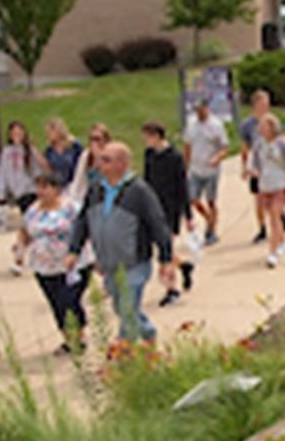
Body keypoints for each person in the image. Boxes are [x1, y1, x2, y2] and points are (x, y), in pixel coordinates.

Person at [65, 142, 174, 343]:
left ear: (121, 164)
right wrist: (74, 249)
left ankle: (125, 354)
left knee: (127, 308)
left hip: (135, 263)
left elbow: (158, 223)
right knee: (122, 309)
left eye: (106, 160)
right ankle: (148, 332)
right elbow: (82, 221)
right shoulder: (96, 189)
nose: (99, 163)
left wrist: (166, 259)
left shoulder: (139, 191)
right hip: (109, 264)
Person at [19, 172, 90, 353]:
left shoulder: (71, 208)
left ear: (56, 189)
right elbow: (25, 230)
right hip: (44, 266)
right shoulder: (33, 210)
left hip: (72, 264)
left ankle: (79, 335)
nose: (41, 192)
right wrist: (20, 250)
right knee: (56, 303)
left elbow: (85, 229)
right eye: (38, 187)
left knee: (69, 300)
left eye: (45, 187)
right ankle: (68, 339)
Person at [141, 121, 195, 306]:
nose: (145, 141)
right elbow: (146, 181)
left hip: (171, 209)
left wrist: (188, 215)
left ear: (156, 136)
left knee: (165, 250)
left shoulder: (175, 157)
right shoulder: (149, 155)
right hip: (153, 208)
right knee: (165, 249)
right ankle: (184, 266)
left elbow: (182, 187)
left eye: (147, 136)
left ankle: (172, 289)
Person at [250, 114, 285, 269]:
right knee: (273, 217)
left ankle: (272, 253)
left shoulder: (281, 145)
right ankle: (282, 241)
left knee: (274, 216)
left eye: (265, 125)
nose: (262, 129)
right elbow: (256, 163)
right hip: (265, 185)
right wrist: (253, 172)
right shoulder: (259, 144)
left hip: (280, 184)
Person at [242, 90, 285, 242]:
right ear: (255, 105)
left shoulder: (273, 121)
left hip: (273, 167)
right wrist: (244, 167)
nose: (266, 106)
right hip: (257, 166)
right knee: (259, 199)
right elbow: (244, 147)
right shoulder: (248, 125)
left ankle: (280, 215)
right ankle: (262, 227)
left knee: (276, 197)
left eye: (267, 103)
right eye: (263, 104)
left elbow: (281, 144)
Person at [0, 120, 40, 274]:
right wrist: (1, 192)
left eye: (19, 132)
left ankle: (19, 257)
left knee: (27, 226)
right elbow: (3, 172)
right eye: (13, 133)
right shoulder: (7, 152)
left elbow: (37, 171)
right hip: (19, 193)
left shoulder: (30, 150)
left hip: (32, 192)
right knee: (29, 227)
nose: (17, 136)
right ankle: (21, 252)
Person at [184, 102, 230, 246]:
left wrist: (217, 158)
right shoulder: (191, 124)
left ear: (207, 108)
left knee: (211, 200)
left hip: (211, 170)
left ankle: (211, 230)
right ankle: (209, 218)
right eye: (197, 110)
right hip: (196, 169)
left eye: (201, 110)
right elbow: (187, 145)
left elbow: (224, 147)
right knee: (193, 199)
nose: (199, 113)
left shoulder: (216, 125)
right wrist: (186, 166)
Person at [42, 118, 84, 189]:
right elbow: (48, 169)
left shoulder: (74, 146)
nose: (48, 135)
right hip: (58, 187)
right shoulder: (49, 151)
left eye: (50, 132)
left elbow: (83, 162)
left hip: (75, 184)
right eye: (47, 132)